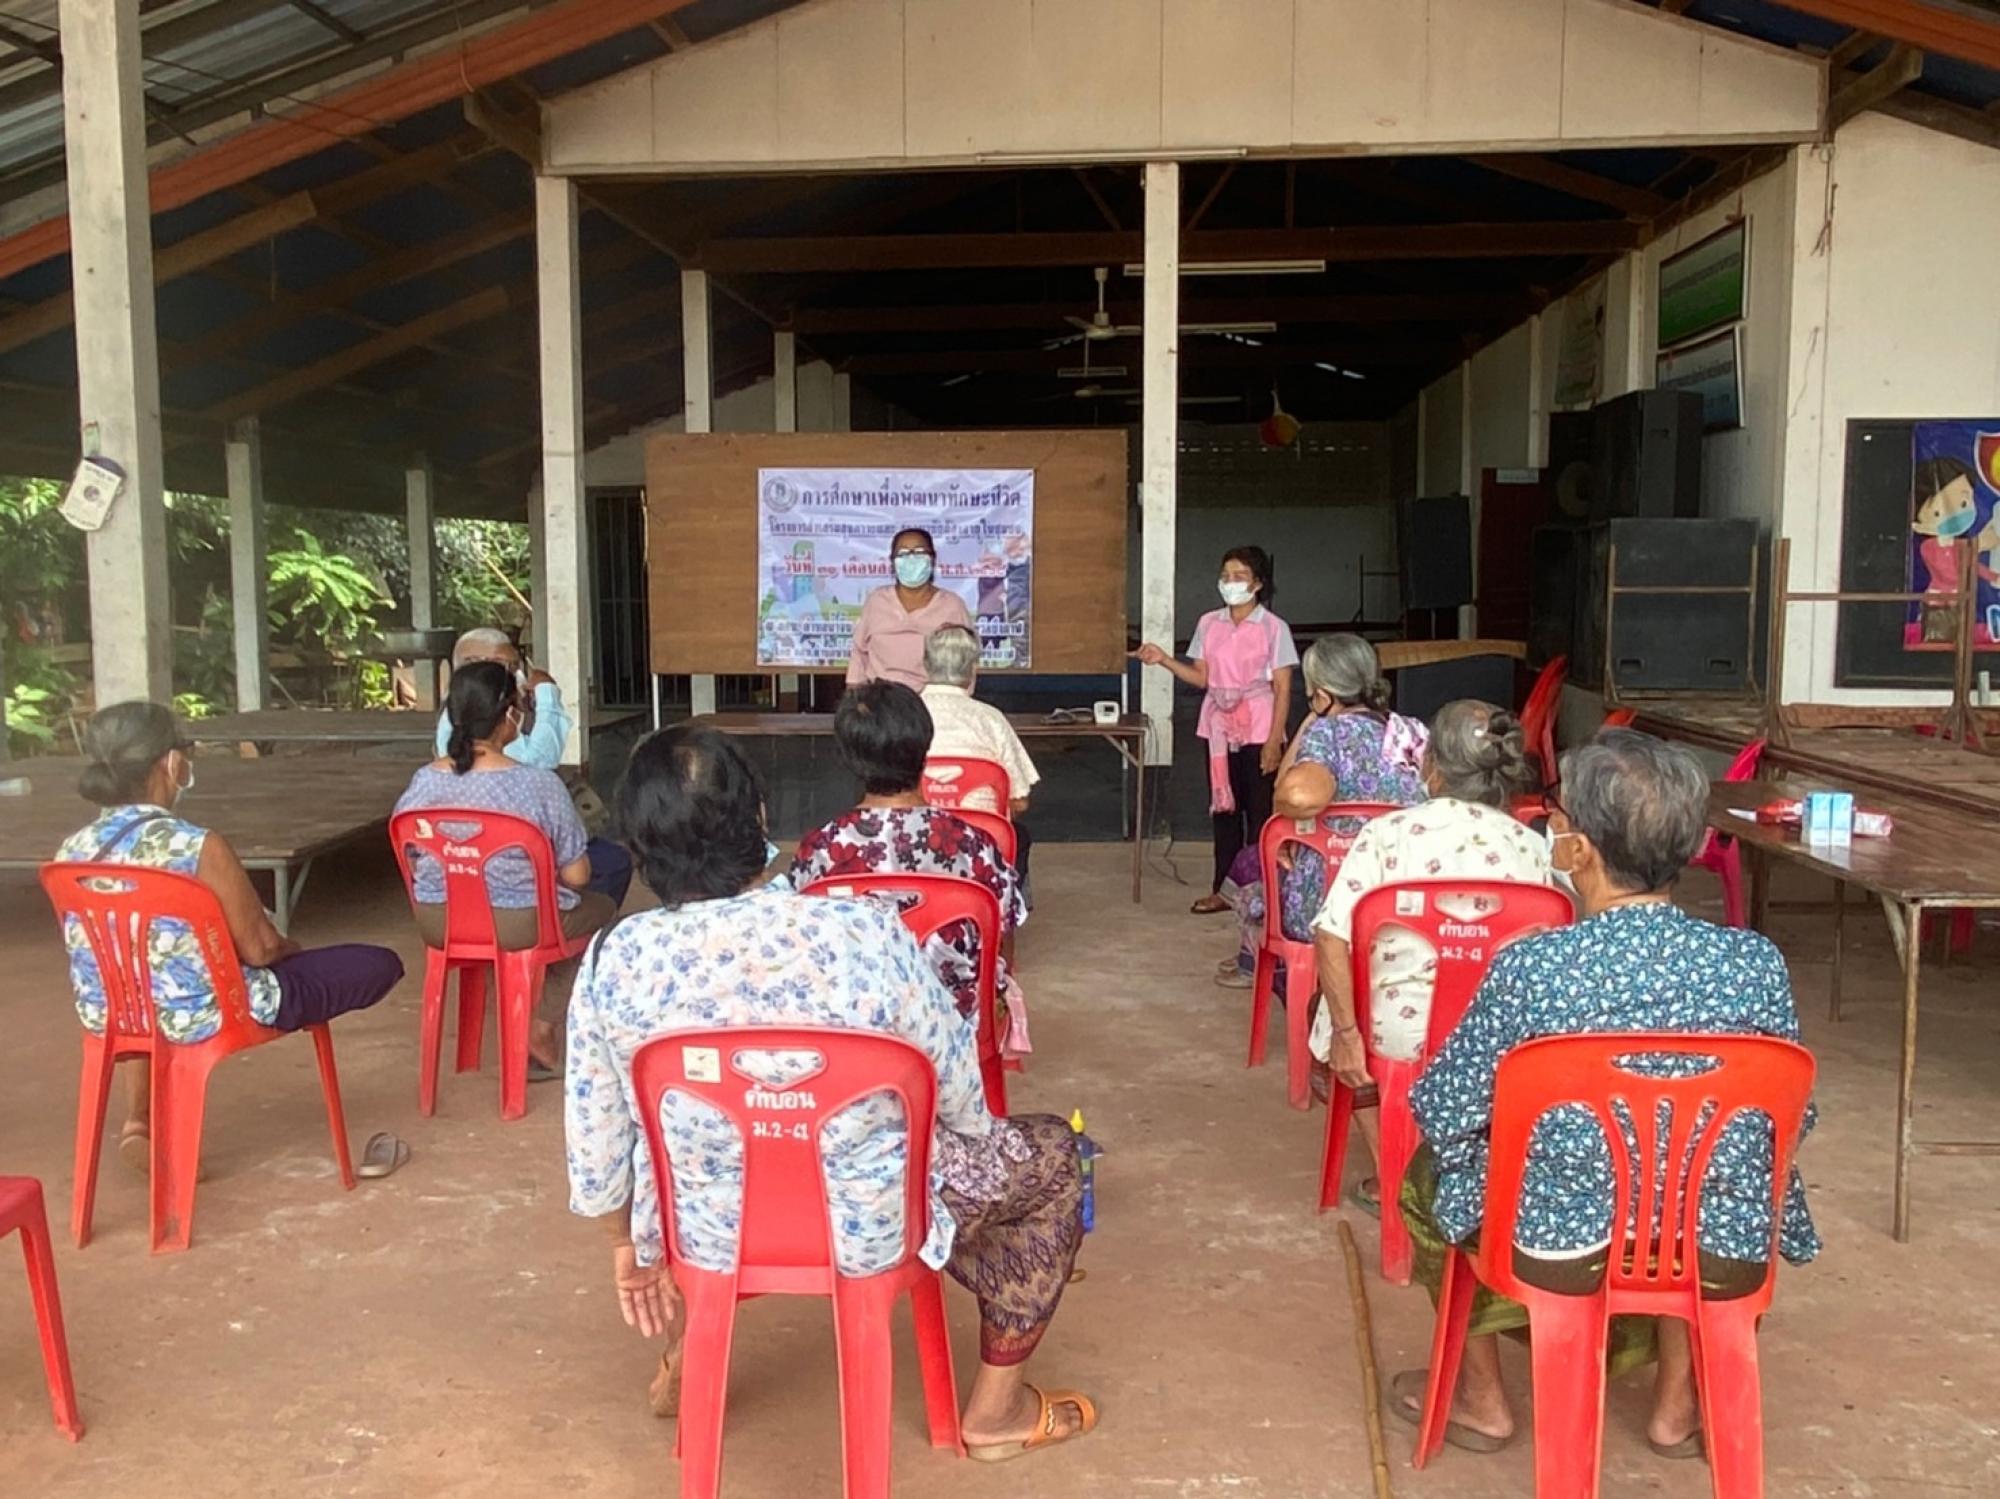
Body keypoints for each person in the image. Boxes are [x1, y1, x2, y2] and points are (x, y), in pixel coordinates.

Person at [564, 725, 1096, 1458]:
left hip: (703, 1228)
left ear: (642, 845)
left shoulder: (614, 958)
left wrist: (627, 1244)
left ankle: (692, 1350)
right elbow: (962, 1098)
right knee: (1055, 1156)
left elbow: (597, 1153)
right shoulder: (863, 931)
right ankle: (995, 1415)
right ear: (758, 815)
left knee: (700, 1154)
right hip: (874, 1222)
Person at [1391, 729, 1819, 1459]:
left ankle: (1481, 1399)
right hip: (1721, 1246)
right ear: (1690, 844)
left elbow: (1446, 1105)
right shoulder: (1756, 963)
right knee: (1700, 1178)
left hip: (1560, 1245)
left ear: (1579, 852)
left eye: (1561, 823)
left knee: (1427, 1176)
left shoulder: (1533, 966)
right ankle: (1677, 1404)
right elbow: (1791, 1117)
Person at [54, 701, 404, 1172]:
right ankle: (151, 1128)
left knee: (146, 981)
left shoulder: (71, 851)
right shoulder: (197, 846)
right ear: (171, 763)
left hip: (112, 1013)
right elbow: (261, 949)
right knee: (377, 963)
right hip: (208, 1013)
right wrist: (290, 950)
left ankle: (140, 1123)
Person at [1309, 700, 1547, 1204]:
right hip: (1500, 1036)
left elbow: (1331, 936)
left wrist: (1347, 1035)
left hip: (1398, 1032)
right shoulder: (1532, 846)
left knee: (1325, 1008)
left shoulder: (1386, 835)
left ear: (1431, 765)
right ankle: (1466, 1174)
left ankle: (1394, 1175)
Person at [395, 662, 618, 1074]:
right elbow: (577, 876)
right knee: (603, 914)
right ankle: (542, 1025)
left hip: (439, 921)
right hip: (521, 923)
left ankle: (509, 1013)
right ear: (510, 715)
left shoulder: (423, 781)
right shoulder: (538, 784)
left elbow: (412, 858)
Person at [792, 681, 1027, 1024]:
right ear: (925, 744)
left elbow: (806, 943)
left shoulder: (819, 850)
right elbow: (1003, 935)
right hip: (957, 1023)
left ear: (847, 758)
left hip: (856, 1026)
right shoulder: (974, 846)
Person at [1216, 633, 1428, 990]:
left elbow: (1293, 795)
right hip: (1404, 896)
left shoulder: (1327, 733)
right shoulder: (1413, 730)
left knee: (1255, 876)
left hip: (1332, 902)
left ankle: (1283, 979)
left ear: (1322, 693)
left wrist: (1313, 719)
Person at [1131, 545, 1297, 914]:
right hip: (1219, 728)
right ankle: (1224, 889)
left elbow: (1283, 688)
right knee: (1224, 810)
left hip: (1259, 726)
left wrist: (1274, 741)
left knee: (1260, 812)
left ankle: (1261, 892)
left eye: (1239, 576)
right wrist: (1164, 660)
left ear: (1257, 583)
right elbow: (1202, 678)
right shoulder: (1209, 623)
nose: (1229, 582)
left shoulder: (1273, 628)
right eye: (1225, 576)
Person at [436, 626, 632, 908]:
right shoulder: (534, 778)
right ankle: (565, 924)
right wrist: (548, 695)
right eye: (508, 666)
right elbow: (541, 759)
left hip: (452, 897)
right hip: (518, 894)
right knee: (608, 862)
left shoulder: (426, 777)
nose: (518, 674)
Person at [919, 623, 1038, 899]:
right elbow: (1020, 800)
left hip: (912, 837)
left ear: (925, 665)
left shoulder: (903, 716)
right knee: (1019, 836)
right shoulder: (991, 720)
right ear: (973, 669)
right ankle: (1006, 910)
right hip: (981, 843)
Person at [846, 527, 974, 692]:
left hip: (931, 699)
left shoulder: (952, 605)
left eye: (919, 552)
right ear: (892, 561)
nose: (911, 558)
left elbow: (966, 662)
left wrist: (958, 700)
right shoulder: (877, 601)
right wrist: (854, 697)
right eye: (903, 553)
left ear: (933, 559)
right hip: (881, 698)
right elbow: (859, 654)